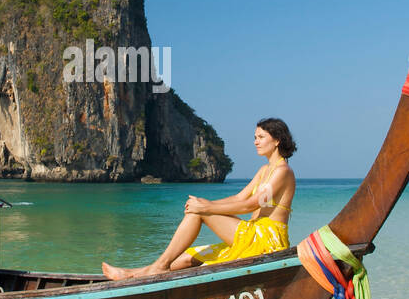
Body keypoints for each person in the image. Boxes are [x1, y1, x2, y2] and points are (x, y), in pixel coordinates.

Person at [102, 117, 296, 279]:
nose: (255, 141)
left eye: (261, 137)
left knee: (198, 213)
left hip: (266, 241)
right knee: (186, 257)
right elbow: (239, 197)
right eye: (255, 137)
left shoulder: (283, 172)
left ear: (277, 140)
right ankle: (134, 274)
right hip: (251, 235)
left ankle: (153, 269)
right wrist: (206, 203)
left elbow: (249, 205)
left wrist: (205, 209)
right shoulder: (265, 170)